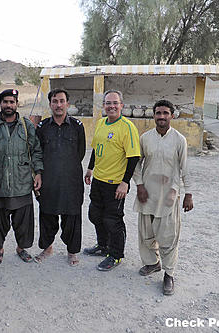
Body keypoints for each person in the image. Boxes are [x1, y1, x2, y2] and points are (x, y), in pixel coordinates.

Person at [132, 99, 193, 295]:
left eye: (165, 113)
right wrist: (139, 185)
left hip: (169, 195)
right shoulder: (145, 138)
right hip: (147, 193)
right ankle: (152, 263)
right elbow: (136, 164)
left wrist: (188, 194)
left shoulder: (179, 140)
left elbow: (185, 168)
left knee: (168, 236)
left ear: (172, 116)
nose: (161, 117)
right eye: (158, 113)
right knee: (145, 233)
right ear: (153, 115)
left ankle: (169, 274)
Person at [0, 89, 43, 265]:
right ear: (0, 104)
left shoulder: (26, 125)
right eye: (5, 102)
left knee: (23, 221)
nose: (8, 105)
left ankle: (22, 248)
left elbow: (36, 151)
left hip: (22, 181)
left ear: (17, 104)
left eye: (12, 102)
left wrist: (38, 173)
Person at [83, 90, 140, 271]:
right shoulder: (101, 123)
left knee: (112, 221)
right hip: (98, 180)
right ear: (104, 106)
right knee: (95, 215)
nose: (112, 106)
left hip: (115, 184)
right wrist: (90, 169)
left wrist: (125, 182)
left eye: (115, 103)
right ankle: (103, 246)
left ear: (121, 105)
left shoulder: (127, 127)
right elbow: (95, 149)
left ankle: (115, 255)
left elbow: (133, 157)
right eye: (108, 103)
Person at [35, 88, 86, 266]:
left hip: (71, 180)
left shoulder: (78, 126)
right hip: (49, 180)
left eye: (61, 101)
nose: (58, 105)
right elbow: (37, 153)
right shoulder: (42, 127)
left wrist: (66, 167)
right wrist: (39, 173)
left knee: (72, 215)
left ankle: (72, 251)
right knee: (47, 213)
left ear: (67, 104)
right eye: (54, 101)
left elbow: (80, 152)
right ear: (50, 104)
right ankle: (47, 247)